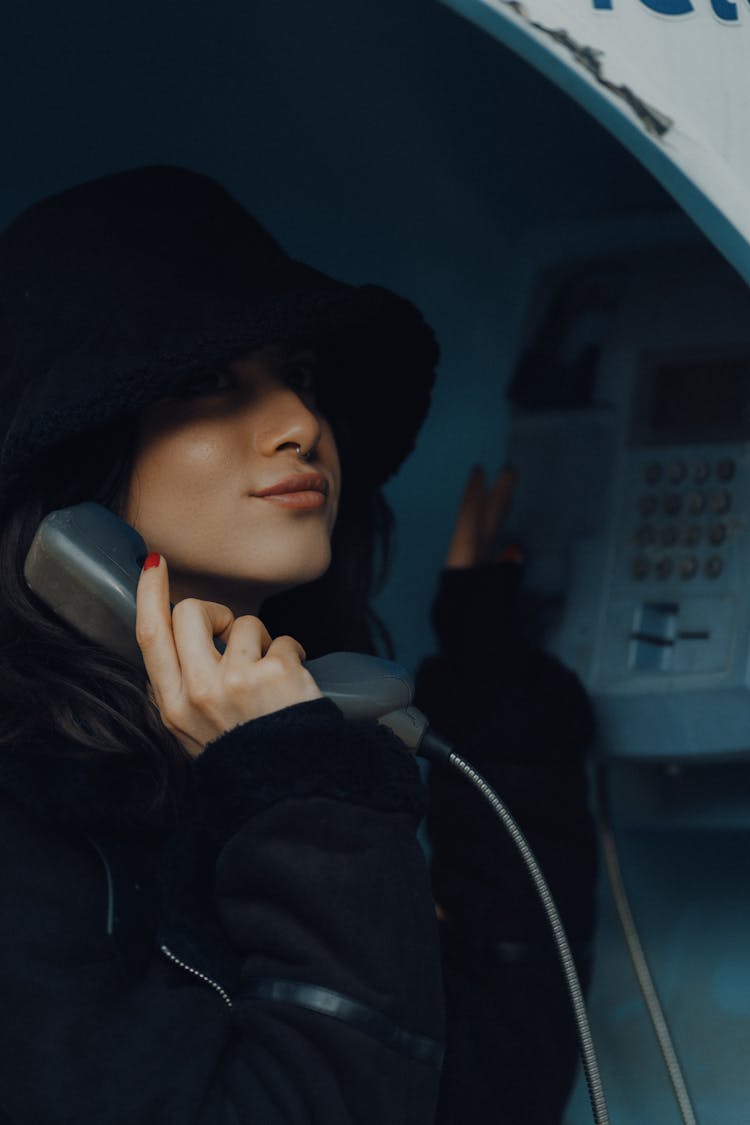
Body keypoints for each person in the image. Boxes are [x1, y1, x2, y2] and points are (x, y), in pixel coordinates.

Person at [0, 166, 596, 1124]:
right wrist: (303, 798)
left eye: (302, 378)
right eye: (209, 382)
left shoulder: (262, 760)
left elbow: (490, 1093)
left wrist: (489, 682)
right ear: (79, 462)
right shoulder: (30, 831)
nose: (300, 424)